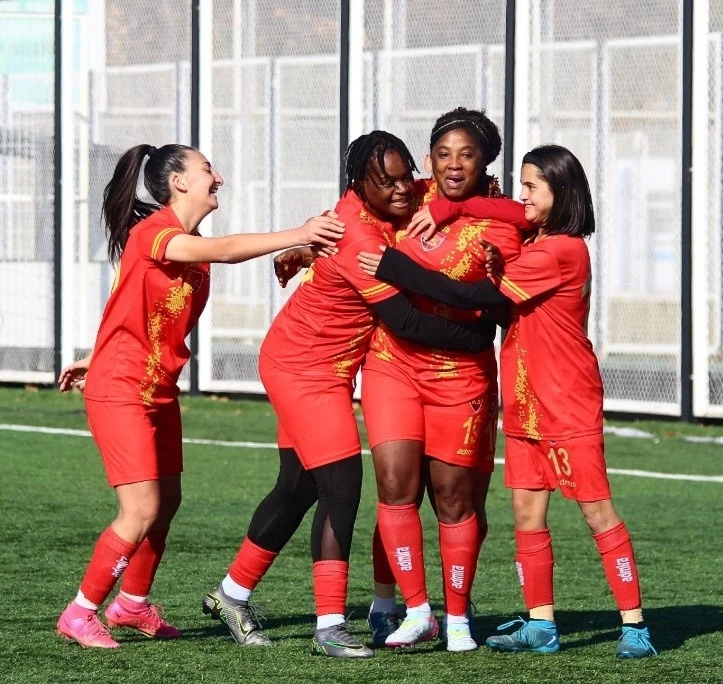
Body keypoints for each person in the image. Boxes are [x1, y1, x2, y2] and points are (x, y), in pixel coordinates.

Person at [201, 131, 496, 659]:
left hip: (324, 366)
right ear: (359, 185)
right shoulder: (357, 233)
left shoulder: (393, 199)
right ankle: (330, 626)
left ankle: (231, 595)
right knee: (341, 484)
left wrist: (483, 198)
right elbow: (405, 321)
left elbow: (447, 190)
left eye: (406, 176)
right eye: (387, 181)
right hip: (304, 368)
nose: (403, 189)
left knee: (297, 488)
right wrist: (477, 335)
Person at [357, 144, 657, 659]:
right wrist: (452, 211)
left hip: (566, 403)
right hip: (524, 403)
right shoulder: (535, 241)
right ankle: (541, 624)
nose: (523, 197)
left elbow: (477, 298)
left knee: (598, 514)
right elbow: (501, 224)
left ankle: (635, 625)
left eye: (533, 187)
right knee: (526, 514)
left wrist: (397, 267)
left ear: (560, 192)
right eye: (521, 184)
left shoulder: (562, 250)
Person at [55, 143, 345, 649]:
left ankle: (132, 605)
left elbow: (127, 300)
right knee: (140, 509)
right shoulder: (155, 233)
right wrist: (300, 234)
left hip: (157, 389)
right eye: (208, 169)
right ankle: (80, 611)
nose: (219, 178)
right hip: (122, 389)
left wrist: (94, 352)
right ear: (179, 182)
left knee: (166, 503)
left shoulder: (189, 249)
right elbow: (228, 249)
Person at [359, 108, 527, 652]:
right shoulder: (411, 195)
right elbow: (356, 214)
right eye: (442, 154)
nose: (453, 165)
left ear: (485, 162)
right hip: (393, 364)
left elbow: (496, 303)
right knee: (395, 486)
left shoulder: (505, 225)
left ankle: (457, 616)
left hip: (460, 375)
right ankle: (412, 610)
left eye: (467, 155)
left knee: (455, 501)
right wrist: (306, 246)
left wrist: (404, 268)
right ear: (428, 157)